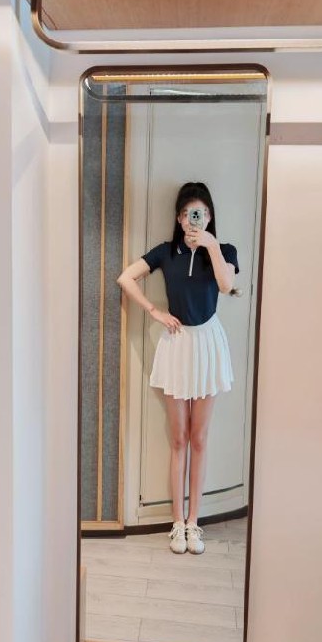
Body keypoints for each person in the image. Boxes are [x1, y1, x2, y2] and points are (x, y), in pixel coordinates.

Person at [117, 182, 239, 555]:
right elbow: (126, 277)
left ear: (210, 216)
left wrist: (211, 245)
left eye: (198, 213)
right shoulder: (166, 252)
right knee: (178, 438)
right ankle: (176, 523)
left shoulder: (223, 250)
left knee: (199, 438)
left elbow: (226, 285)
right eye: (186, 214)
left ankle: (194, 522)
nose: (192, 219)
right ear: (178, 217)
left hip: (208, 343)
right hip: (177, 343)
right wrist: (154, 311)